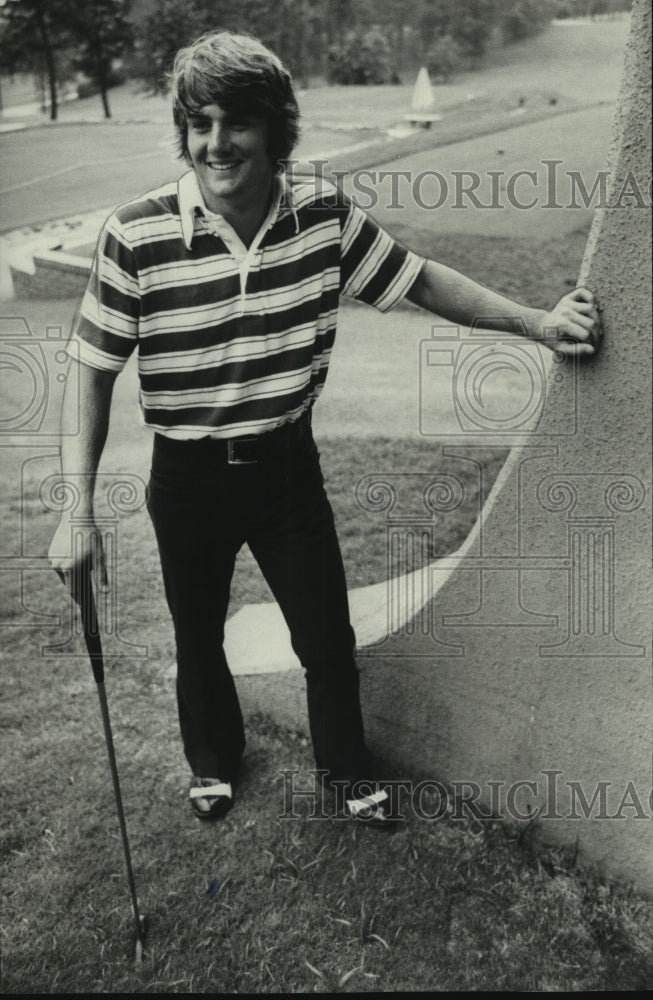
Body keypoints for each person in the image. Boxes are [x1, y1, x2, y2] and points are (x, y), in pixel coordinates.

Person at [48, 30, 601, 827]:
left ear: (273, 128)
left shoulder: (320, 213)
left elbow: (420, 280)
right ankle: (213, 759)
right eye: (198, 125)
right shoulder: (135, 233)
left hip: (284, 471)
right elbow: (90, 371)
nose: (214, 143)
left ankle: (346, 773)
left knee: (325, 636)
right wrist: (77, 511)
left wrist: (534, 323)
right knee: (197, 633)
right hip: (187, 478)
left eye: (234, 123)